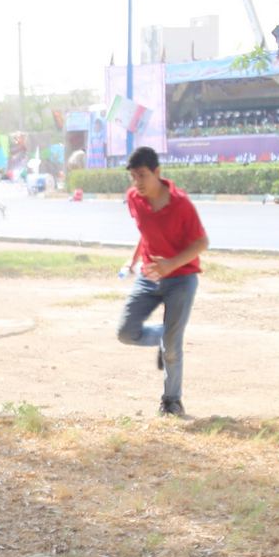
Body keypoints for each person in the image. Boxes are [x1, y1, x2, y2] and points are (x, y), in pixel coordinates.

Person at [117, 146, 209, 418]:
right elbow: (145, 233)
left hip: (181, 278)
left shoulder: (181, 204)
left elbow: (202, 242)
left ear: (157, 172)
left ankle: (171, 400)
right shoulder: (134, 198)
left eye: (142, 175)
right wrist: (132, 261)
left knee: (172, 348)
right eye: (133, 176)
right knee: (126, 333)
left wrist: (171, 264)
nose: (137, 183)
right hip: (149, 277)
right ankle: (166, 336)